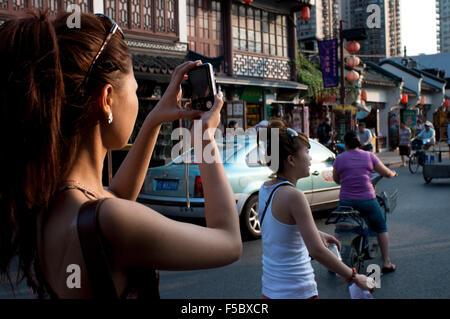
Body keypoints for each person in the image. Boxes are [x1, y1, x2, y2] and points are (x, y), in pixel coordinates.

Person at [0, 11, 242, 299]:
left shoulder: (54, 203)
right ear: (107, 99)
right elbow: (228, 242)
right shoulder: (109, 221)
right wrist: (205, 139)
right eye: (136, 89)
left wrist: (153, 120)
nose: (138, 100)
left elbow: (115, 196)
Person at [258, 120, 376, 299]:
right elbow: (316, 251)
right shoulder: (294, 196)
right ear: (291, 160)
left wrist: (316, 233)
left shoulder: (266, 188)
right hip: (297, 291)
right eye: (306, 152)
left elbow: (280, 231)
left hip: (270, 291)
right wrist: (354, 277)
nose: (310, 158)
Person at [333, 131, 397, 274]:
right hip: (367, 200)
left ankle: (332, 262)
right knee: (381, 227)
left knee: (339, 229)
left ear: (346, 144)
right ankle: (386, 262)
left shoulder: (339, 158)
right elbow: (386, 173)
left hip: (346, 201)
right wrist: (392, 173)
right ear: (359, 143)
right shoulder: (369, 156)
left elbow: (337, 180)